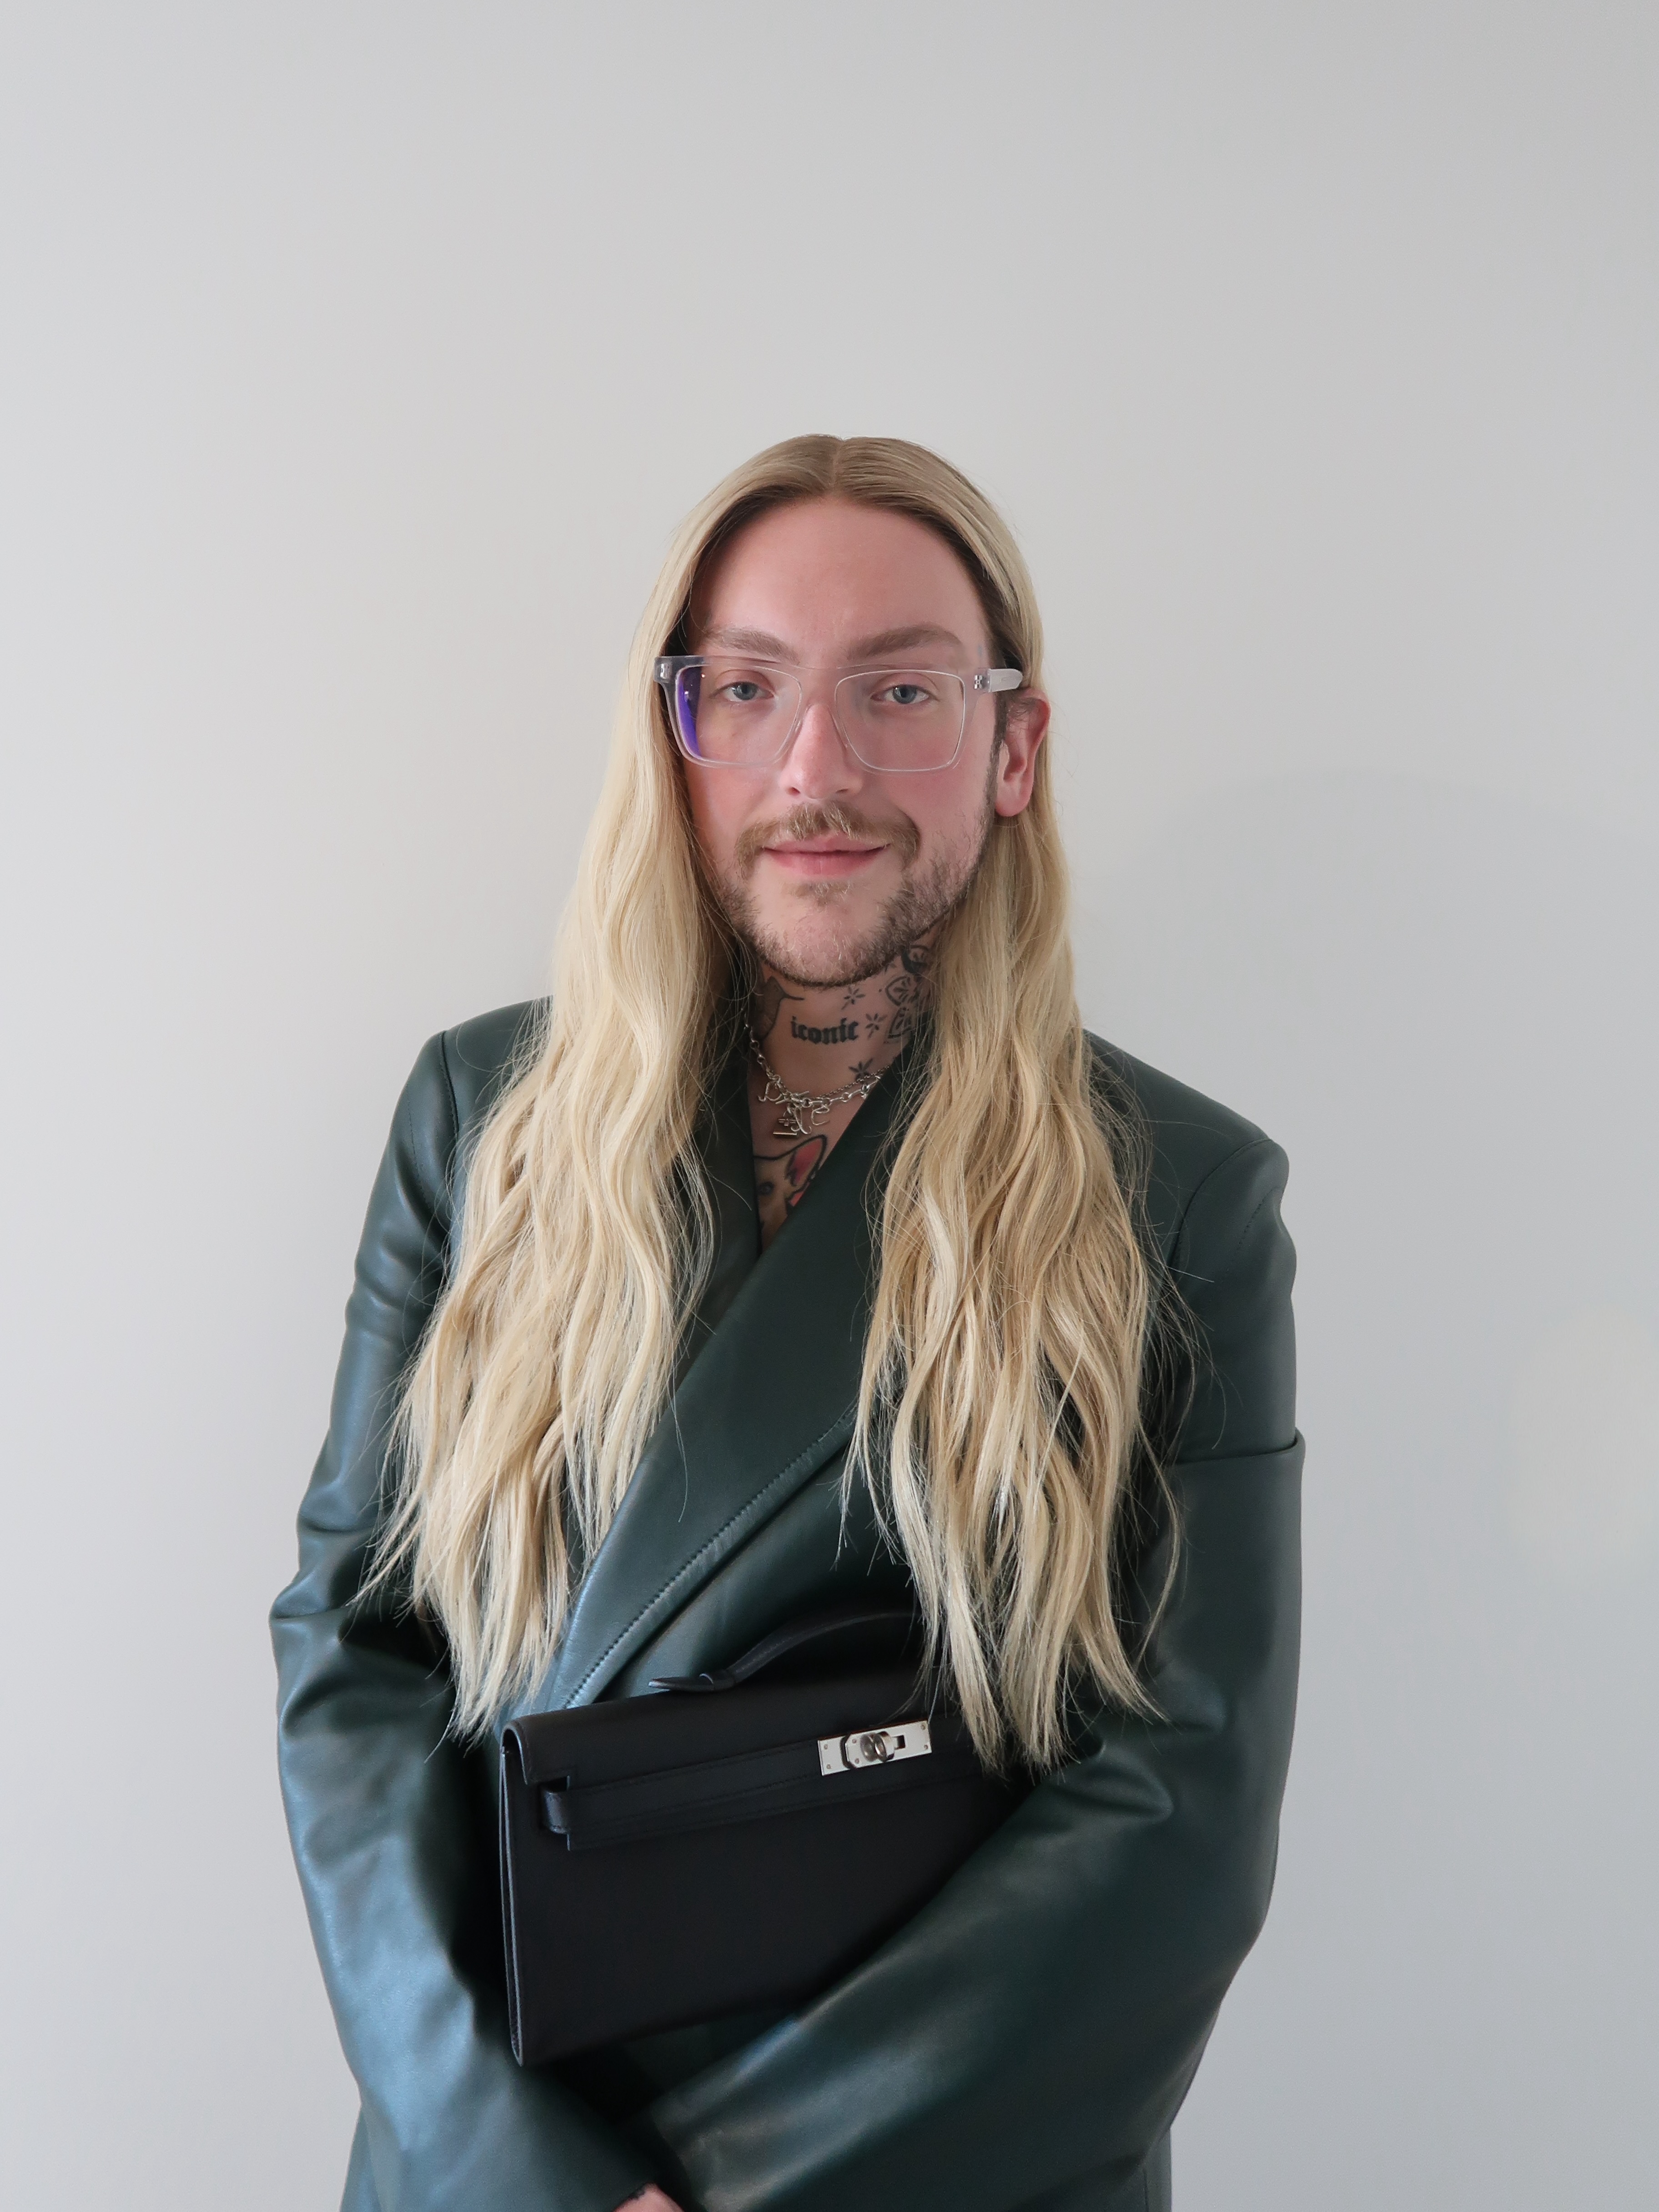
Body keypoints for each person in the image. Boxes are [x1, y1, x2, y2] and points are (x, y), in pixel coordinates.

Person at [272, 434, 1301, 2212]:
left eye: (897, 687)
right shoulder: (478, 1122)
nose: (814, 767)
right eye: (746, 687)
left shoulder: (1182, 1195)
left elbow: (1183, 1801)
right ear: (672, 739)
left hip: (955, 2167)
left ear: (1011, 746)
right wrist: (551, 2178)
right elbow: (354, 1655)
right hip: (500, 2162)